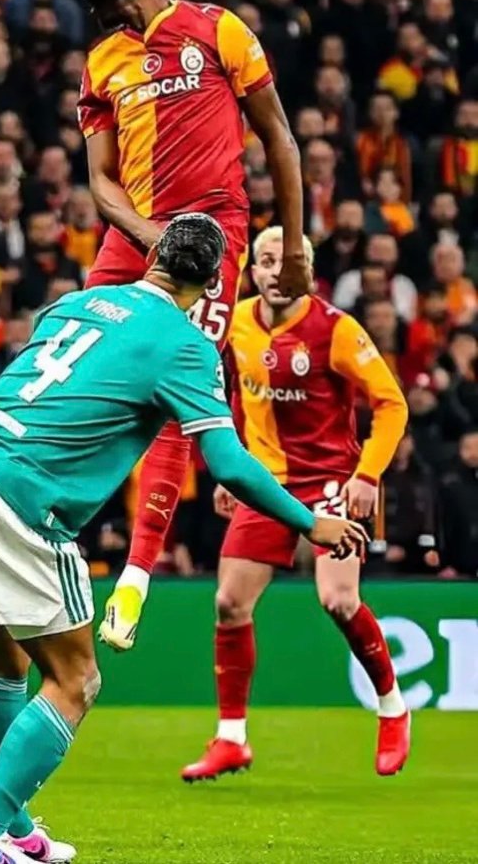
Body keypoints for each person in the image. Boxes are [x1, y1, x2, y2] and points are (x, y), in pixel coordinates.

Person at [0, 215, 365, 864]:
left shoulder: (74, 303)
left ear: (154, 254)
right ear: (214, 283)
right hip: (17, 499)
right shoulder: (186, 345)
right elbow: (232, 462)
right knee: (75, 679)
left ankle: (11, 824)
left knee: (5, 658)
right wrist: (310, 521)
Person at [77, 0, 311, 650]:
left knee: (184, 387)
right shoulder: (102, 60)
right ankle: (17, 523)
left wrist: (293, 244)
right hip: (136, 233)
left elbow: (280, 139)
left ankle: (135, 577)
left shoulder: (219, 29)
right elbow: (100, 181)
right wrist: (152, 238)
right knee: (73, 356)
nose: (97, 1)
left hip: (216, 233)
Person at [180, 226, 410, 786]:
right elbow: (233, 397)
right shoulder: (234, 324)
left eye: (289, 263)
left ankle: (392, 707)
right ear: (252, 271)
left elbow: (391, 403)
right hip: (264, 483)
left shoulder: (335, 329)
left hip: (331, 480)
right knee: (229, 603)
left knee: (337, 599)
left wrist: (367, 474)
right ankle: (231, 739)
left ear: (306, 272)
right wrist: (228, 469)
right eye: (264, 261)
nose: (276, 272)